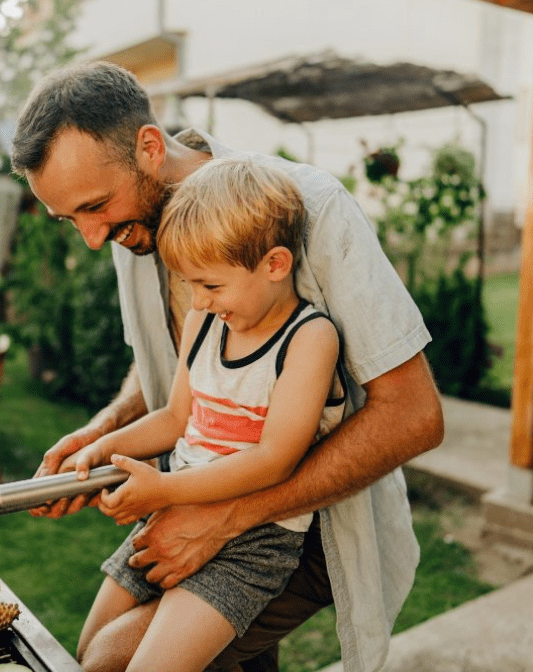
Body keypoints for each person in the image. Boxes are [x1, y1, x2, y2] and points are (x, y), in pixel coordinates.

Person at [10, 61, 444, 672]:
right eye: (70, 219)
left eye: (95, 206)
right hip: (196, 495)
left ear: (150, 148)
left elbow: (414, 416)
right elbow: (175, 370)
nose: (89, 236)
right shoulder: (133, 224)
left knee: (109, 659)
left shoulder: (313, 209)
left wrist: (222, 518)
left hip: (306, 527)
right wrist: (102, 436)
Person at [67, 158, 346, 672]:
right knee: (89, 654)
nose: (197, 300)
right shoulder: (206, 318)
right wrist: (102, 446)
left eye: (211, 286)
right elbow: (175, 419)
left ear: (275, 265)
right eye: (190, 284)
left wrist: (165, 490)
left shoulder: (309, 340)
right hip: (175, 509)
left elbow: (274, 461)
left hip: (255, 540)